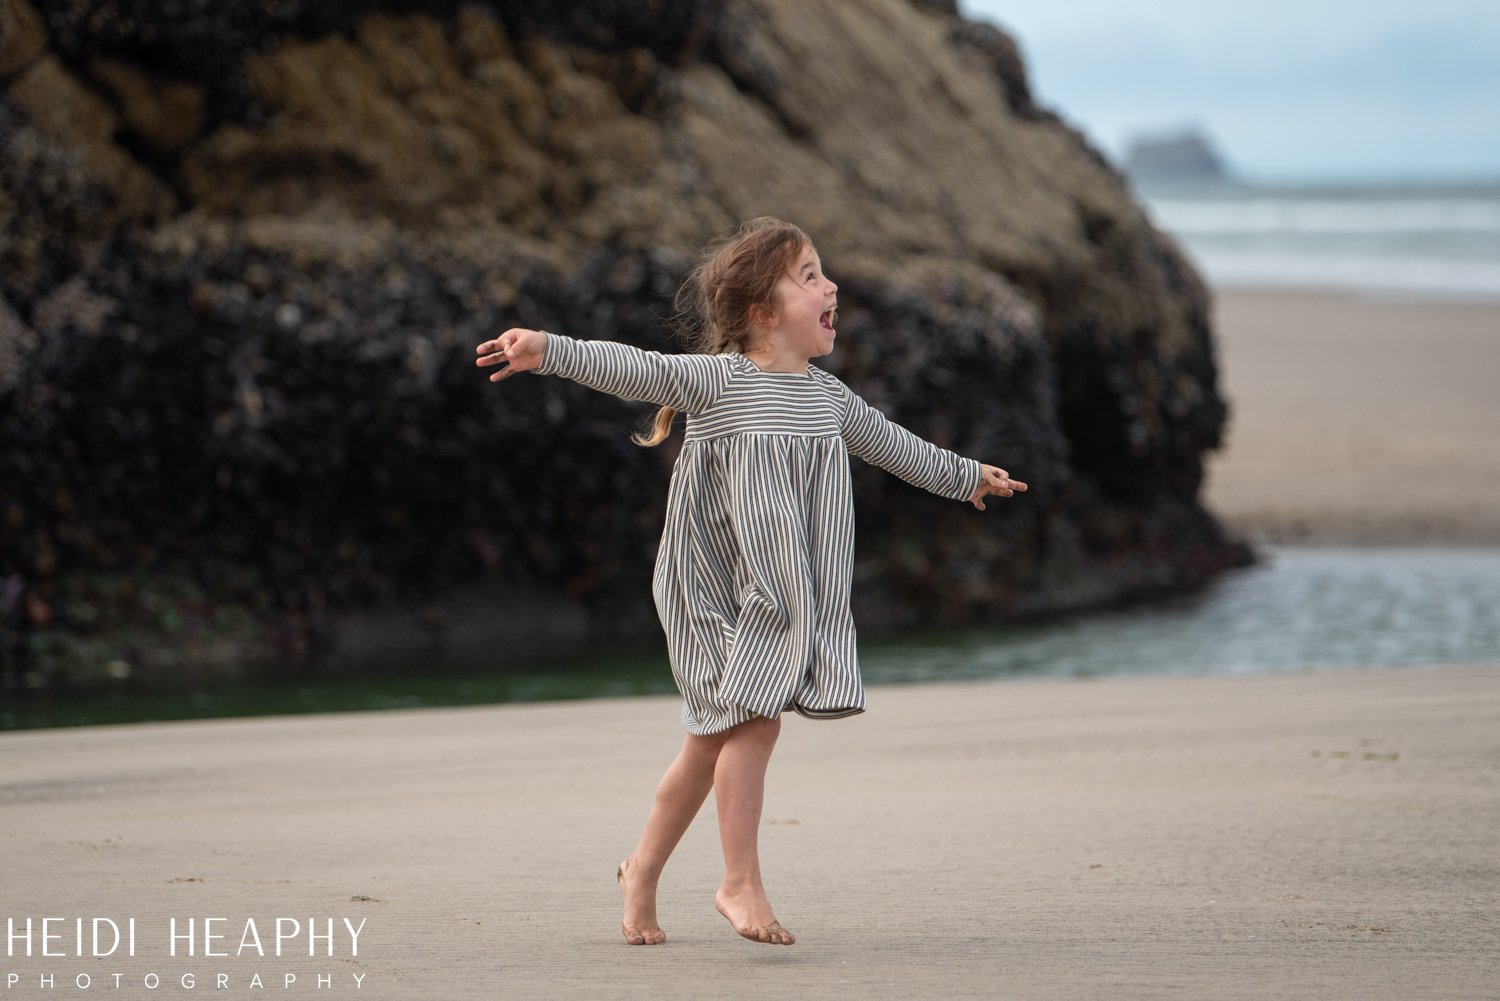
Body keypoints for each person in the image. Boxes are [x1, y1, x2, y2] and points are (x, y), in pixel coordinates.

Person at [475, 217, 1026, 947]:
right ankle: (738, 880)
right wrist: (548, 350)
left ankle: (639, 870)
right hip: (708, 591)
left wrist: (965, 477)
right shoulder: (721, 381)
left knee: (707, 744)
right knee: (753, 720)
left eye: (824, 272)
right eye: (808, 277)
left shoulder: (828, 399)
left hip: (775, 593)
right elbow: (636, 368)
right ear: (763, 314)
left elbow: (894, 445)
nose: (831, 286)